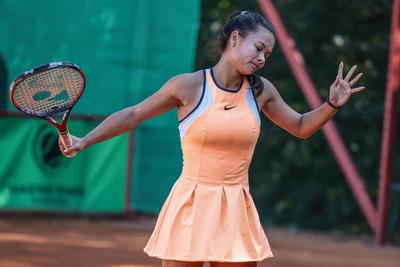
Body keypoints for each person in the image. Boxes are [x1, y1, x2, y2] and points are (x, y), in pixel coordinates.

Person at [60, 10, 364, 267]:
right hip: (190, 205)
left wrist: (331, 104)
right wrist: (85, 139)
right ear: (234, 39)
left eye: (267, 54)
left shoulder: (262, 92)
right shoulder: (189, 86)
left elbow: (300, 126)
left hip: (236, 208)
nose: (261, 59)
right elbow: (133, 114)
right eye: (258, 48)